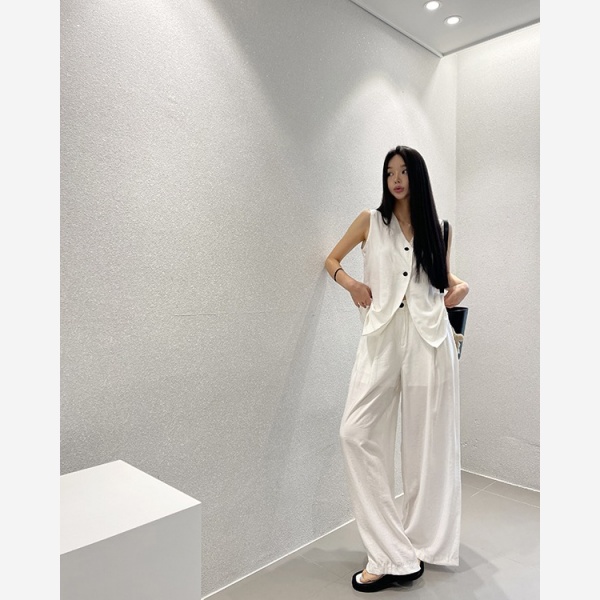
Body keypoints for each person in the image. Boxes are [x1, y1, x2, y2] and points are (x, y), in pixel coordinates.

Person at [324, 145, 469, 593]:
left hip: (430, 340)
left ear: (417, 177)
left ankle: (417, 546)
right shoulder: (370, 221)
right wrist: (352, 285)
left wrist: (461, 286)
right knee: (354, 433)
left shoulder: (438, 229)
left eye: (404, 171)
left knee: (427, 448)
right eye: (390, 172)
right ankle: (391, 551)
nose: (396, 179)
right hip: (382, 337)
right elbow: (331, 260)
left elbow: (441, 279)